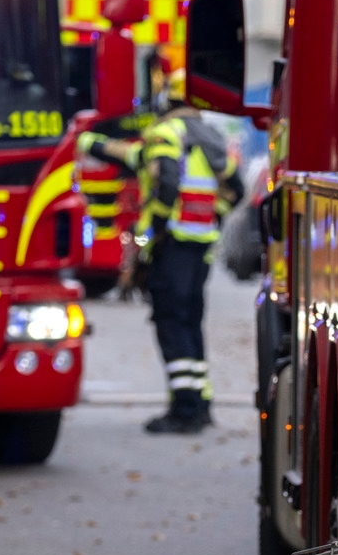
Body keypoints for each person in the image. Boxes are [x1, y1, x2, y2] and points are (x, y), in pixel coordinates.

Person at [78, 68, 244, 433]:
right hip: (199, 249)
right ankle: (199, 404)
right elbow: (236, 188)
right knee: (190, 323)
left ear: (166, 99)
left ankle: (183, 411)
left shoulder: (166, 133)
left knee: (172, 323)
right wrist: (87, 142)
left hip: (171, 248)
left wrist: (155, 231)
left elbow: (165, 179)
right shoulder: (212, 138)